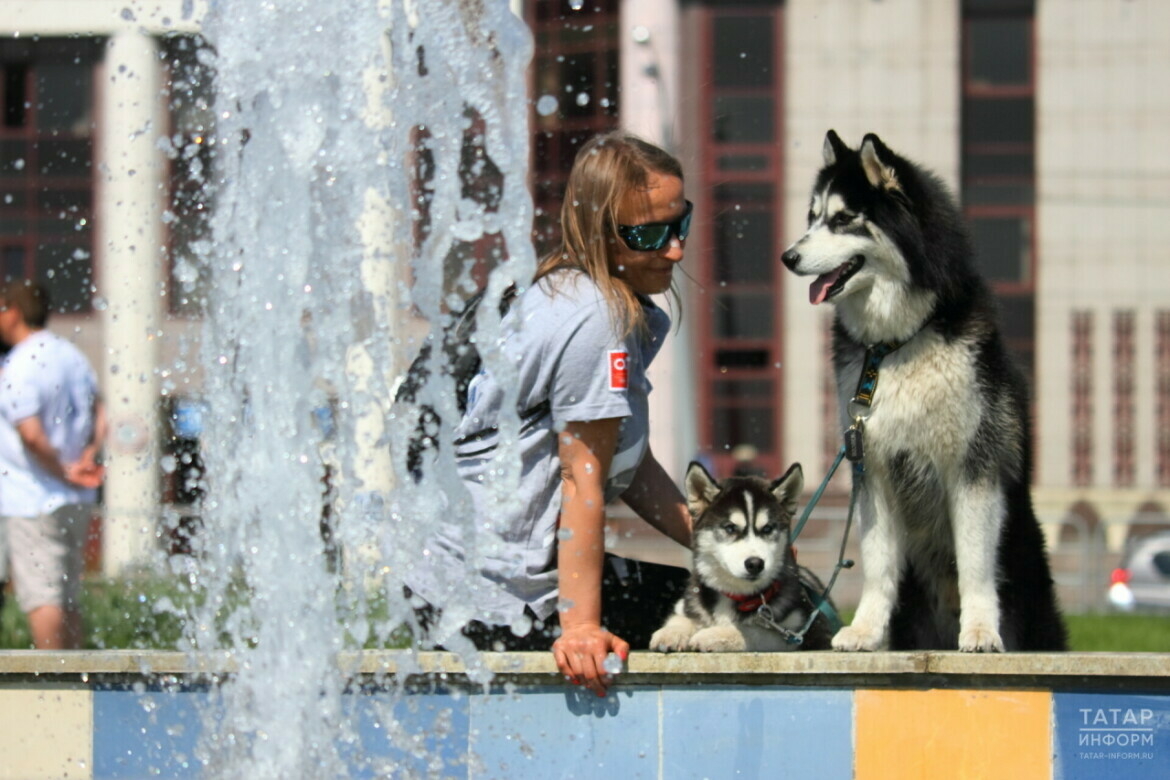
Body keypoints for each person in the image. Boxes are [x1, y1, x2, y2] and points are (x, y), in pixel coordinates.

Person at [406, 131, 694, 697]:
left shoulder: (573, 291)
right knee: (713, 619)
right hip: (487, 599)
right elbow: (582, 478)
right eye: (650, 234)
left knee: (716, 593)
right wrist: (580, 627)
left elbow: (627, 464)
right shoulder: (595, 320)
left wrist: (714, 540)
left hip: (449, 580)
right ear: (599, 231)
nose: (675, 249)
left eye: (680, 223)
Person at [0, 280, 105, 649]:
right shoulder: (71, 355)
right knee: (67, 595)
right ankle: (75, 672)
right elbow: (102, 413)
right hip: (75, 498)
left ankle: (53, 676)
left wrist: (62, 470)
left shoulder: (21, 364)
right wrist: (88, 456)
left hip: (33, 496)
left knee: (43, 596)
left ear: (13, 312)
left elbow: (30, 434)